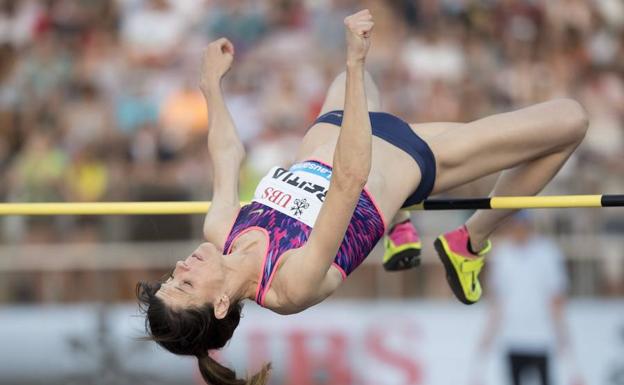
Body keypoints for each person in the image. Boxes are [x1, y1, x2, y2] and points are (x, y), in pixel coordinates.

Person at [136, 9, 589, 385]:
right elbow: (350, 179)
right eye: (186, 284)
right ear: (219, 305)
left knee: (361, 77)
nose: (180, 267)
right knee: (570, 121)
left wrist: (210, 87)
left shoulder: (221, 230)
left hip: (335, 125)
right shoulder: (289, 285)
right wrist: (353, 65)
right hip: (404, 159)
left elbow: (227, 154)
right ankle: (469, 241)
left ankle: (398, 224)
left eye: (170, 278)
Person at [477, 212, 584, 385]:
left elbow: (556, 299)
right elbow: (497, 301)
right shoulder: (502, 254)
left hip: (541, 337)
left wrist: (563, 336)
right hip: (512, 337)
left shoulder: (547, 252)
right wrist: (487, 336)